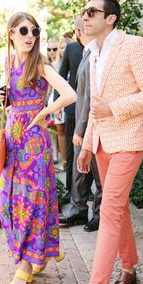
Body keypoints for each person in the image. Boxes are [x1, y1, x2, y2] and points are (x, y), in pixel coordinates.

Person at [68, 0, 143, 284]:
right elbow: (96, 108)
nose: (86, 16)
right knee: (118, 207)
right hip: (101, 145)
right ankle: (129, 269)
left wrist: (115, 109)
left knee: (108, 208)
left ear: (110, 18)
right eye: (84, 11)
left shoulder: (134, 45)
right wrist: (86, 147)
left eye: (92, 11)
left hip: (128, 140)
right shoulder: (92, 53)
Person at [0, 12, 76, 284]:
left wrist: (45, 112)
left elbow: (69, 95)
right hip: (12, 142)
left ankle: (26, 266)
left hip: (34, 144)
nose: (30, 36)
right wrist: (3, 98)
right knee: (6, 202)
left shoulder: (40, 64)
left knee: (30, 203)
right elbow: (11, 103)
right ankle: (37, 253)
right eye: (24, 31)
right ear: (11, 34)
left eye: (34, 31)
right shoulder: (9, 63)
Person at [59, 17, 102, 231]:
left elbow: (91, 97)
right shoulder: (85, 51)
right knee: (79, 167)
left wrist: (82, 129)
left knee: (98, 171)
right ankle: (78, 210)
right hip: (79, 119)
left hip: (92, 123)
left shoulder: (97, 54)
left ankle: (99, 215)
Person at [53, 30, 83, 204]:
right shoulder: (71, 49)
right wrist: (57, 105)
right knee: (72, 151)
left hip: (96, 108)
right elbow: (61, 77)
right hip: (72, 108)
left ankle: (88, 191)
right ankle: (70, 191)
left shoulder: (100, 46)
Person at [53, 37, 73, 172]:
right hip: (57, 99)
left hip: (71, 100)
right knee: (60, 130)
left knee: (70, 132)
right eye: (61, 47)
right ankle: (64, 161)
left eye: (65, 47)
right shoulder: (54, 65)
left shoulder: (74, 62)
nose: (62, 50)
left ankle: (71, 161)